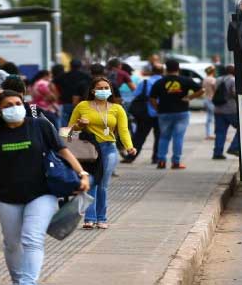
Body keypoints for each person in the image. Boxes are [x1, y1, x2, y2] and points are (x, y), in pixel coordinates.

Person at [0, 90, 90, 285]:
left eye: (18, 103)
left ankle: (27, 282)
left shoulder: (39, 125)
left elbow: (62, 150)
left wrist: (82, 173)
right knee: (12, 244)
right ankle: (18, 280)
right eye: (8, 106)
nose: (15, 108)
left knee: (32, 239)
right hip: (6, 196)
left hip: (42, 193)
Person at [69, 77, 136, 229]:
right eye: (100, 88)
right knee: (92, 182)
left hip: (108, 148)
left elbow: (123, 130)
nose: (104, 91)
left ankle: (101, 218)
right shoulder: (82, 106)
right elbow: (69, 131)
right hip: (89, 150)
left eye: (107, 88)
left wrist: (129, 146)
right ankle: (89, 218)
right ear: (93, 90)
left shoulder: (117, 108)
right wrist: (79, 125)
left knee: (103, 184)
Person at [149, 60, 205, 169]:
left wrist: (158, 108)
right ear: (178, 68)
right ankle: (176, 162)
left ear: (166, 69)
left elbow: (152, 98)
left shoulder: (159, 82)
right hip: (181, 112)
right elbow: (201, 90)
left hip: (164, 113)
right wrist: (189, 98)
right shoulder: (185, 80)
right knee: (178, 137)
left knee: (163, 137)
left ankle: (161, 161)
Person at [123, 64, 163, 164]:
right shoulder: (164, 82)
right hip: (161, 113)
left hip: (145, 114)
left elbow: (136, 93)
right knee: (160, 137)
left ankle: (130, 157)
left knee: (139, 136)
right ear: (163, 72)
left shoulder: (145, 82)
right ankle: (156, 158)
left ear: (152, 71)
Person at [213, 65, 241, 159]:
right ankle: (234, 147)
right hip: (230, 110)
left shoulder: (218, 79)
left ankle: (217, 153)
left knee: (220, 132)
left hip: (218, 110)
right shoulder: (233, 80)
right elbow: (234, 93)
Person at [53, 59, 91, 128]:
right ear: (80, 66)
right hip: (81, 102)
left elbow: (52, 83)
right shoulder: (86, 76)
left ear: (70, 66)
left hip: (66, 102)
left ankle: (65, 135)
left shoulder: (63, 76)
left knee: (65, 121)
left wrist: (57, 95)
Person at [202, 65, 217, 140]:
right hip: (212, 99)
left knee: (209, 117)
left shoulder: (205, 79)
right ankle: (211, 134)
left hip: (206, 99)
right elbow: (215, 90)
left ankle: (208, 133)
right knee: (213, 117)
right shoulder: (212, 80)